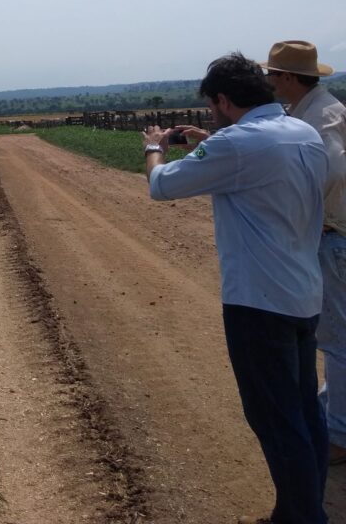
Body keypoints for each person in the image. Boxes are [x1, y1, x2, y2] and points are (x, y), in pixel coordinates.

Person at [142, 52, 329, 524]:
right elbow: (258, 169)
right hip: (304, 294)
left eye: (211, 106)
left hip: (258, 304)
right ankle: (299, 508)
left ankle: (303, 517)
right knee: (305, 411)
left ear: (223, 100)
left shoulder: (238, 146)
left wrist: (153, 148)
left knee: (275, 419)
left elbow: (161, 185)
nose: (210, 114)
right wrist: (215, 142)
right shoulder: (302, 132)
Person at [262, 40, 346, 468]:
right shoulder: (314, 109)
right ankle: (331, 409)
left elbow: (331, 170)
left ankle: (339, 435)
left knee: (336, 337)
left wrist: (306, 207)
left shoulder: (322, 116)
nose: (269, 82)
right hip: (334, 233)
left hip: (334, 234)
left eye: (273, 75)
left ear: (289, 78)